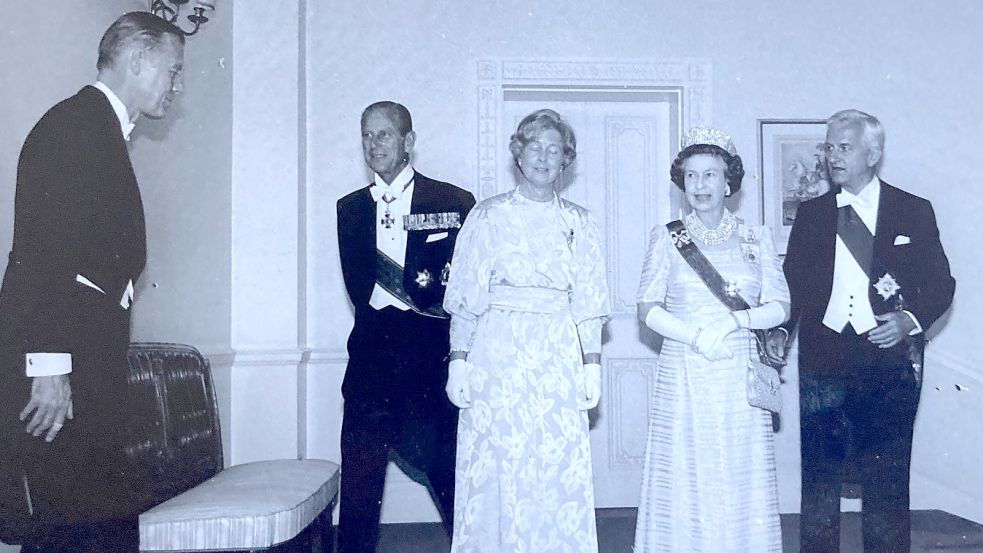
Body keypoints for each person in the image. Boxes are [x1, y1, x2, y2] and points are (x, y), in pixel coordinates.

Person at [0, 11, 185, 552]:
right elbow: (41, 254)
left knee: (91, 526)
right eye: (172, 71)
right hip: (64, 373)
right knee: (73, 528)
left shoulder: (94, 127)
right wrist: (51, 369)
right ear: (137, 58)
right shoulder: (75, 127)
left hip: (86, 366)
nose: (177, 86)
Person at [771, 109, 955, 553]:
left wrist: (909, 321)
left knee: (886, 480)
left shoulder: (913, 210)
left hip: (888, 361)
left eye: (844, 147)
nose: (833, 156)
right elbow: (792, 283)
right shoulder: (812, 214)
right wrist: (779, 331)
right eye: (829, 147)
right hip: (822, 358)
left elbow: (940, 282)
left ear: (872, 154)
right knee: (819, 481)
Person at [443, 108, 610, 552]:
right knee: (500, 465)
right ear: (518, 153)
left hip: (557, 355)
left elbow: (589, 304)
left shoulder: (582, 222)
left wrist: (591, 366)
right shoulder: (487, 216)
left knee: (552, 467)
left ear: (565, 160)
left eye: (553, 149)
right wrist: (458, 362)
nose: (543, 157)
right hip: (497, 356)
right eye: (534, 146)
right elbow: (466, 299)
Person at [633, 127, 789, 552]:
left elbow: (780, 306)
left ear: (728, 182)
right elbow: (647, 306)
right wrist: (696, 336)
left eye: (710, 175)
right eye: (691, 176)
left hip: (739, 368)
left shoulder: (756, 237)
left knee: (739, 469)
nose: (700, 186)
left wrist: (735, 324)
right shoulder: (667, 236)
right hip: (684, 365)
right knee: (686, 468)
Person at [336, 101, 476, 553]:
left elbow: (464, 284)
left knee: (448, 471)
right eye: (366, 135)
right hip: (372, 355)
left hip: (428, 353)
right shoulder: (349, 209)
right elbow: (359, 287)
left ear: (408, 142)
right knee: (359, 477)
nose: (373, 144)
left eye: (384, 135)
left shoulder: (453, 201)